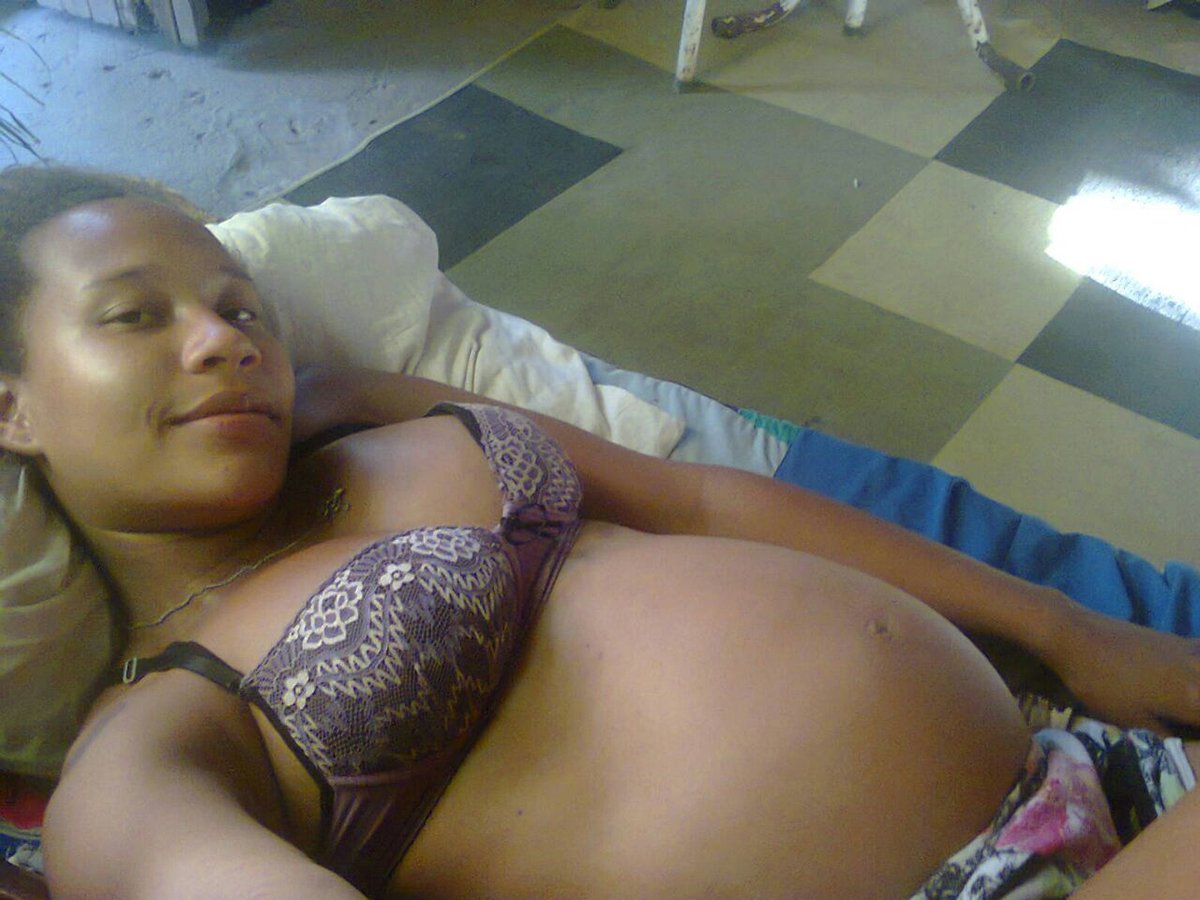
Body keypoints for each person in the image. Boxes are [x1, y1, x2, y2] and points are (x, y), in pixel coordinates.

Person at [0, 164, 1198, 899]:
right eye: (134, 318)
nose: (221, 340)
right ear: (12, 407)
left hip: (1084, 763)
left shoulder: (375, 424)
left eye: (239, 307)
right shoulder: (147, 745)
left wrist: (1073, 629)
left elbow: (699, 502)